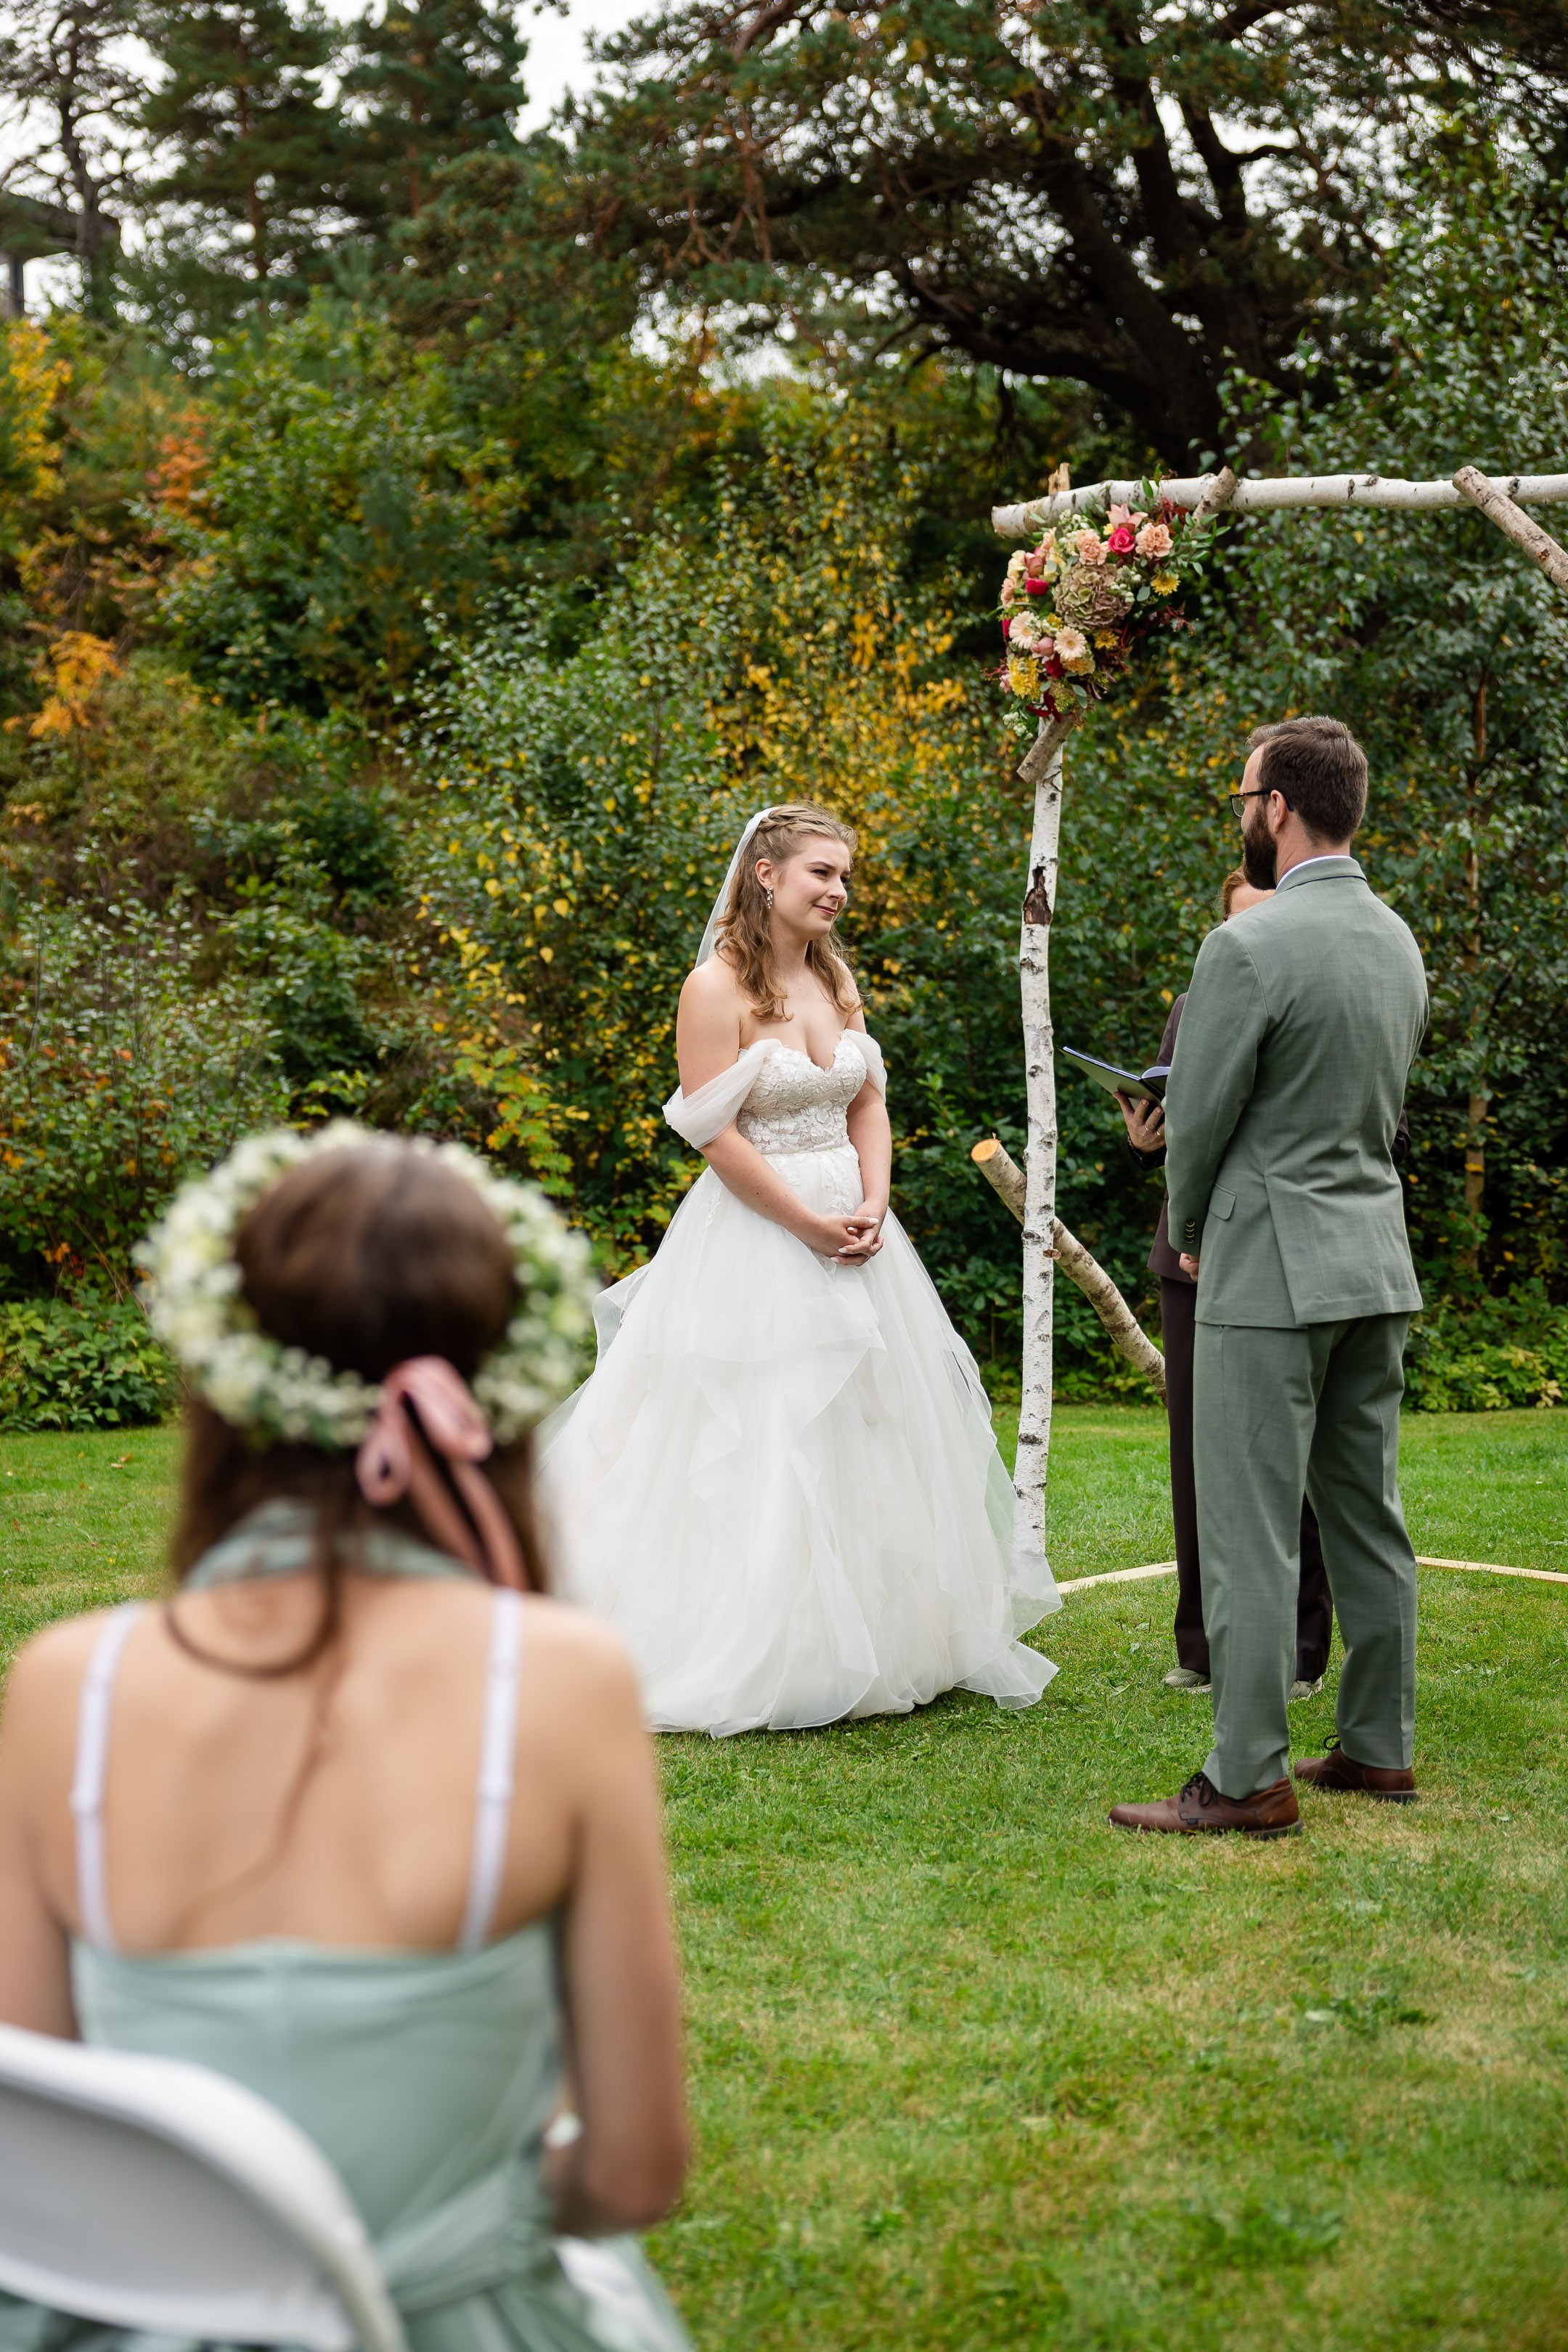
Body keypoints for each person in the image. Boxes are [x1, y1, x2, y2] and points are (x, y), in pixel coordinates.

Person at [0, 1128, 693, 2352]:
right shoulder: (561, 1682)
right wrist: (471, 2226)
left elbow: (37, 2132)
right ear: (499, 1380)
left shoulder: (68, 1686)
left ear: (226, 1379)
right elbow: (633, 2176)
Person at [539, 803, 1059, 1735]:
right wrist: (809, 1225)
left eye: (845, 876)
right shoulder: (714, 989)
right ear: (767, 875)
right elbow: (715, 1138)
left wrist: (872, 1200)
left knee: (868, 1423)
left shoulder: (835, 978)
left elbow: (868, 1103)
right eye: (822, 873)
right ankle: (759, 1642)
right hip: (756, 1232)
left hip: (857, 1228)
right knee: (764, 1428)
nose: (839, 892)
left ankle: (882, 1636)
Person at [1111, 716, 1427, 1839]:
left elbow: (1195, 1120)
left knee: (1248, 1526)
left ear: (1278, 808)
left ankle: (1246, 1777)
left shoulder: (1243, 947)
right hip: (1373, 1261)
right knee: (1368, 1518)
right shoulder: (1397, 940)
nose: (1243, 816)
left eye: (1245, 797)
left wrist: (1188, 1223)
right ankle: (1378, 1747)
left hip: (1267, 1266)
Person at [1116, 865, 1333, 1702]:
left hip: (1282, 1247)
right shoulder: (1193, 1001)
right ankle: (1201, 1644)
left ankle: (1302, 1648)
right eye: (1235, 927)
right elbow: (1180, 1120)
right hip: (1191, 1259)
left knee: (1295, 1454)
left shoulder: (1325, 997)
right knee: (1197, 1454)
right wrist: (1148, 1140)